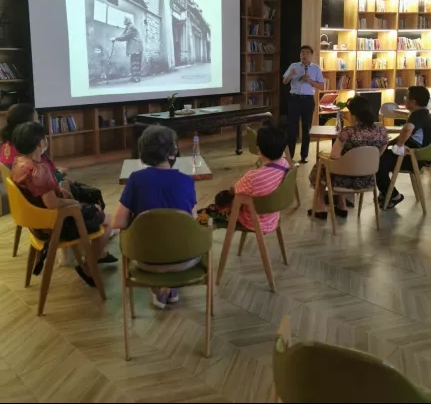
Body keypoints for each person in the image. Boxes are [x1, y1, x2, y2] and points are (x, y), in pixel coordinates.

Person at [10, 122, 116, 287]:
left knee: (89, 206)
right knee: (107, 220)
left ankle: (98, 254)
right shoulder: (38, 170)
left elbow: (46, 197)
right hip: (55, 225)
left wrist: (62, 192)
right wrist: (74, 202)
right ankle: (89, 267)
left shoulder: (18, 163)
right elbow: (52, 203)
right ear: (40, 143)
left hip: (36, 224)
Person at [112, 124, 197, 309]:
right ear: (172, 153)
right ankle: (170, 285)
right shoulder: (187, 181)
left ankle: (160, 287)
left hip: (145, 260)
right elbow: (193, 222)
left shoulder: (135, 180)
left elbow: (118, 222)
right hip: (184, 259)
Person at [0, 103, 107, 214]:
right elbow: (42, 186)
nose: (39, 123)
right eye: (36, 120)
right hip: (46, 200)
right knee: (94, 197)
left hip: (39, 196)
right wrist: (59, 175)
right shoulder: (30, 154)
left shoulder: (15, 151)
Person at [196, 124, 290, 234]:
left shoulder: (253, 177)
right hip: (272, 218)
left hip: (252, 221)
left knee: (209, 210)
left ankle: (197, 233)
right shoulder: (285, 164)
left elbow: (234, 190)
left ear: (258, 150)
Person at [309, 96, 388, 220]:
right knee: (342, 165)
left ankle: (321, 206)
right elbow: (379, 152)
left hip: (344, 180)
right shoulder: (381, 131)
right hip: (367, 179)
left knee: (321, 165)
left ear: (354, 116)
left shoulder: (348, 132)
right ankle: (342, 204)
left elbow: (334, 155)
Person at [376, 86, 431, 209]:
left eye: (406, 97)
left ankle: (393, 195)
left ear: (413, 102)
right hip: (418, 158)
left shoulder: (416, 116)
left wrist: (398, 145)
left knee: (378, 161)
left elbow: (407, 129)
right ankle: (385, 194)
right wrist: (390, 143)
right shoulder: (425, 114)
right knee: (383, 156)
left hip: (412, 159)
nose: (404, 99)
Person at [283, 45, 324, 163]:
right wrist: (290, 75)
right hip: (294, 99)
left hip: (307, 100)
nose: (304, 55)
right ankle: (290, 156)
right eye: (302, 53)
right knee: (292, 128)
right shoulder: (294, 66)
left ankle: (304, 156)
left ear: (311, 55)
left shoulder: (316, 68)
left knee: (306, 128)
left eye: (307, 53)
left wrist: (310, 81)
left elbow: (321, 86)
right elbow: (284, 81)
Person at [110, 17, 143, 83]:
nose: (123, 21)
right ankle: (134, 77)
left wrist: (116, 38)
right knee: (133, 62)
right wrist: (115, 38)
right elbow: (123, 35)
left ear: (127, 20)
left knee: (135, 62)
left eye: (124, 20)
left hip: (136, 47)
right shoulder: (127, 27)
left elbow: (125, 36)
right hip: (135, 47)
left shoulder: (131, 27)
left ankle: (136, 78)